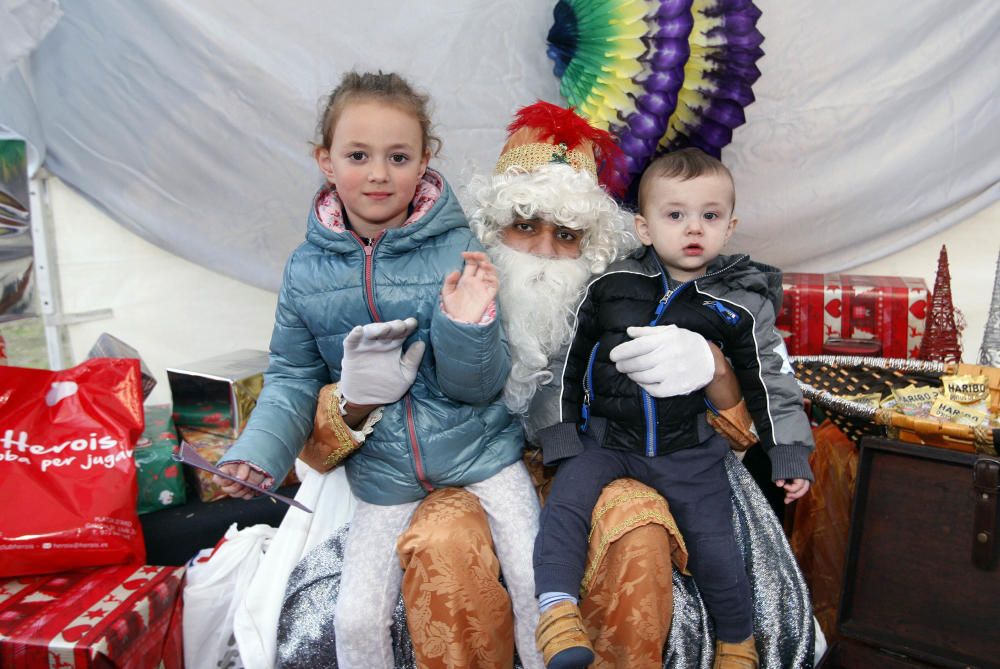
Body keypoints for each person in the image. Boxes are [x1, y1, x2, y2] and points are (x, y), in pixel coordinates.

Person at [213, 71, 543, 669]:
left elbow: (480, 385)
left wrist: (466, 326)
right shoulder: (306, 270)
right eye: (358, 155)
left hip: (483, 452)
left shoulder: (459, 247)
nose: (378, 173)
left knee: (533, 579)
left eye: (398, 156)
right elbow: (290, 375)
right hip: (383, 472)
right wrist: (258, 453)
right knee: (357, 617)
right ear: (326, 161)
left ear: (424, 163)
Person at [532, 147, 815, 669]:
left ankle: (737, 644)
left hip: (688, 448)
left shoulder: (740, 302)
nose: (693, 228)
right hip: (609, 440)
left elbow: (771, 380)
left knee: (717, 547)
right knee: (565, 506)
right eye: (675, 214)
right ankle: (557, 613)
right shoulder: (610, 285)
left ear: (730, 227)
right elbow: (567, 362)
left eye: (709, 216)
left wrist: (790, 452)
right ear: (643, 227)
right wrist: (562, 433)